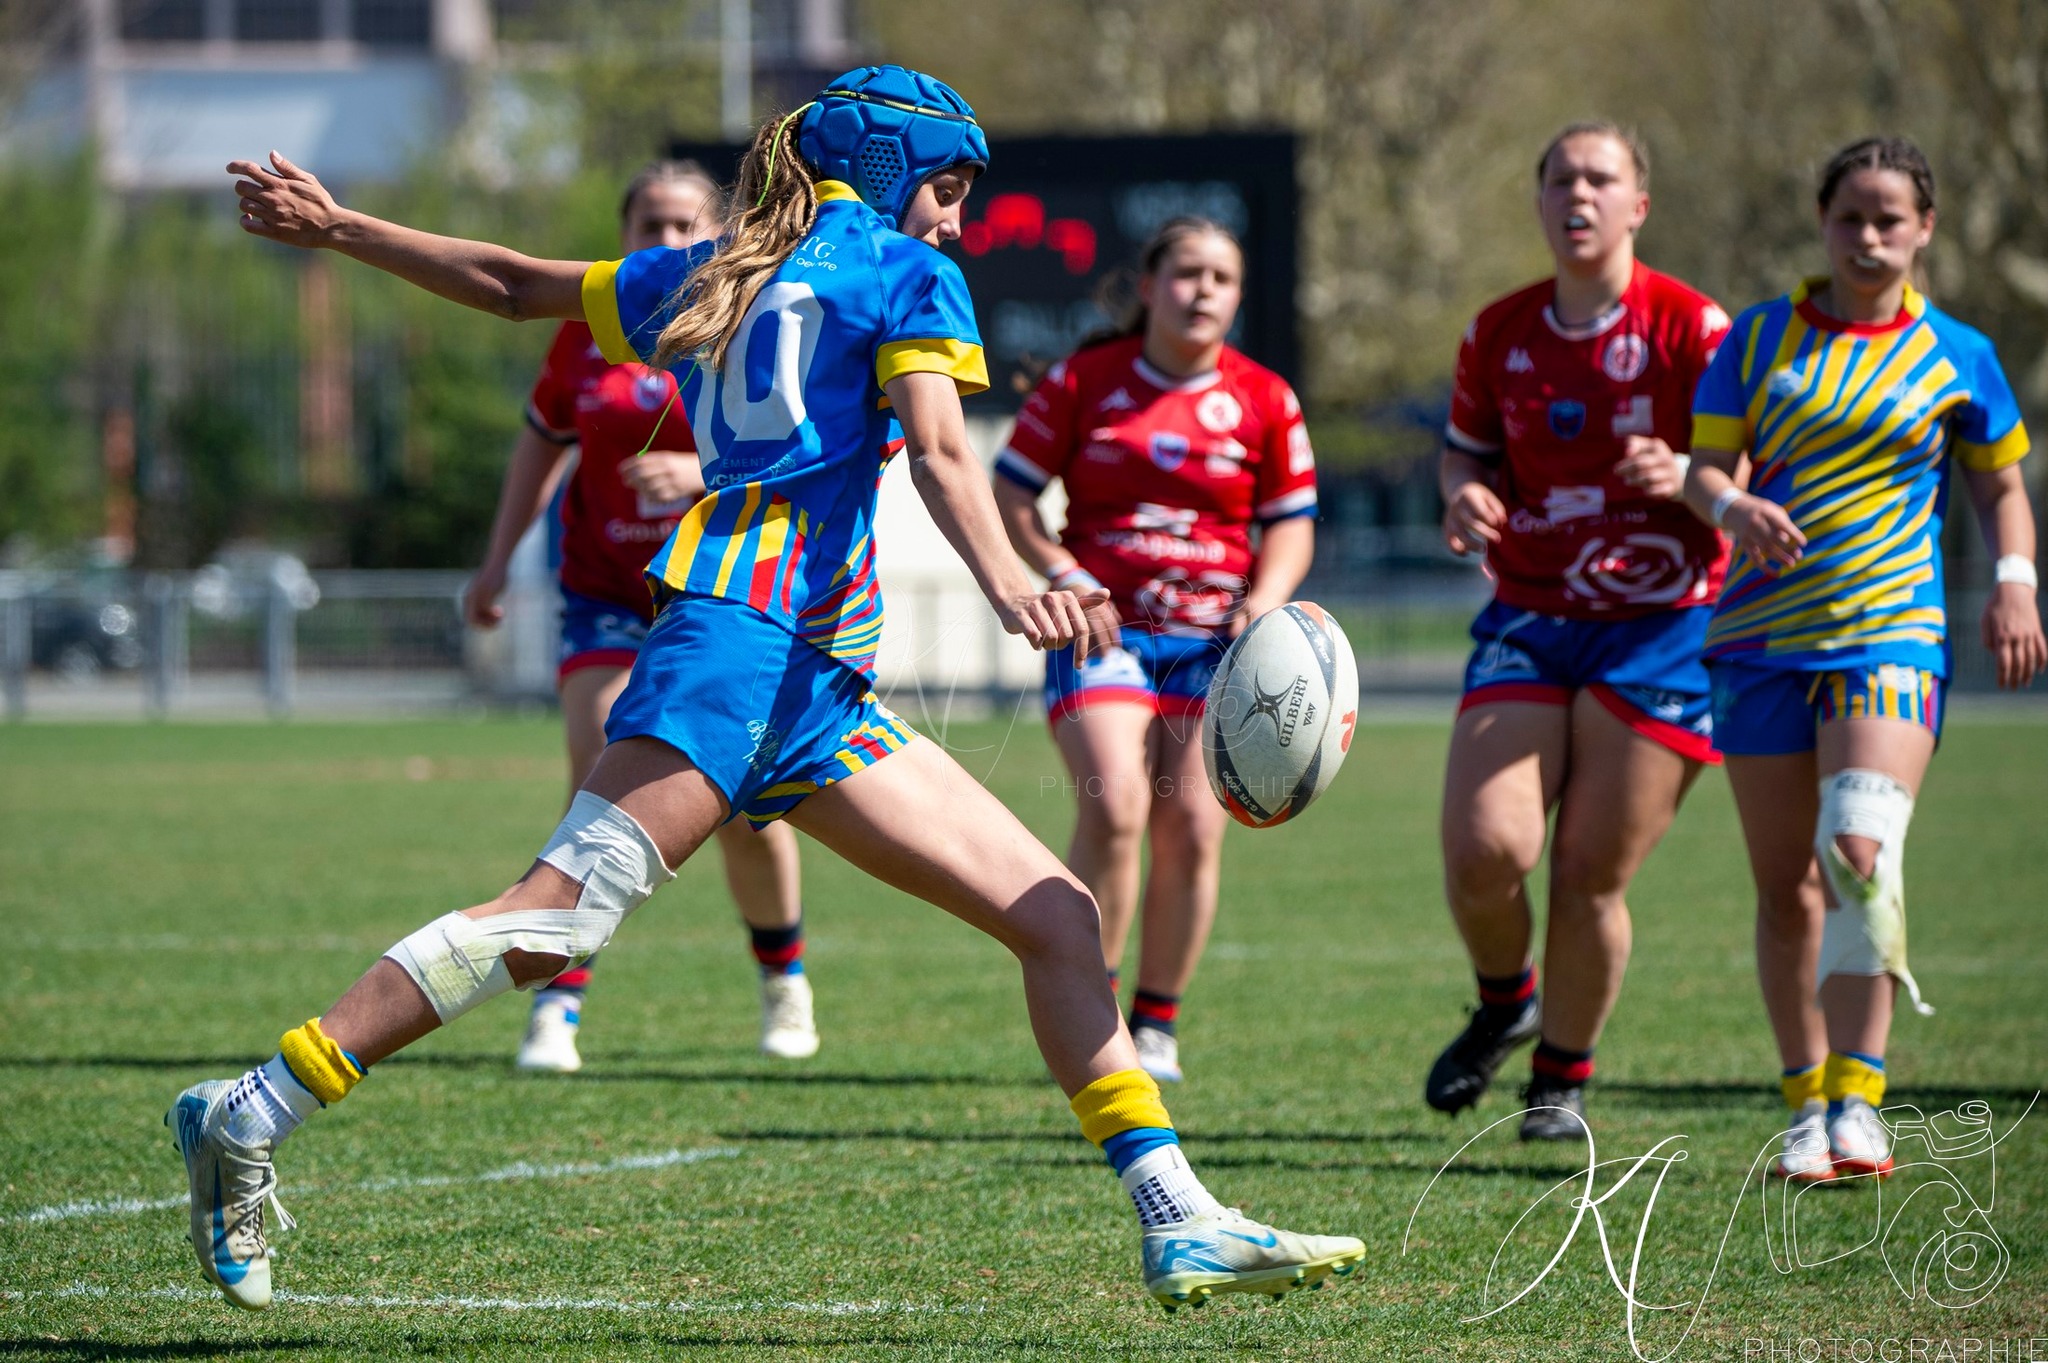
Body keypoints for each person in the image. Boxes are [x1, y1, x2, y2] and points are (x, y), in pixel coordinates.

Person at [179, 65, 1363, 1314]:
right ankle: (249, 1110)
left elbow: (512, 285)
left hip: (812, 679)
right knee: (551, 922)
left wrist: (343, 226)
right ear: (902, 173)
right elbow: (949, 455)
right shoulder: (903, 274)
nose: (958, 224)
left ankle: (1178, 1218)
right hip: (741, 648)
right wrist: (1017, 586)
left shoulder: (718, 269)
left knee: (1058, 915)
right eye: (950, 192)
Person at [1684, 135, 2044, 1182]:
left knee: (1856, 852)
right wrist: (1731, 502)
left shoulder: (1959, 353)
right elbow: (1703, 469)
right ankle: (1802, 1101)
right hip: (1754, 643)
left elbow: (1998, 485)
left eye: (1889, 218)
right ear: (1821, 223)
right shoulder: (1756, 341)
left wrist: (2014, 577)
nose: (1867, 236)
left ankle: (1860, 1092)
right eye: (1849, 216)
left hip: (1890, 631)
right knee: (1784, 887)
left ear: (1924, 228)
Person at [464, 160, 820, 1072]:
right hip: (605, 596)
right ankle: (561, 1006)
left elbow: (816, 454)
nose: (665, 244)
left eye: (682, 227)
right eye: (647, 226)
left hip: (725, 595)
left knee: (744, 812)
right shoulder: (588, 333)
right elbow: (539, 451)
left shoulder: (755, 320)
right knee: (598, 789)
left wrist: (703, 475)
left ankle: (783, 975)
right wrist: (498, 559)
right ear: (622, 236)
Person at [1429, 123, 1733, 1140]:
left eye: (1601, 178)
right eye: (1559, 176)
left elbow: (1757, 484)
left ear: (1636, 205)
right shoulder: (1499, 331)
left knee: (1586, 872)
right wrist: (1463, 499)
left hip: (1663, 628)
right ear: (1538, 198)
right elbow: (1461, 457)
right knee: (1483, 850)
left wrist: (1689, 481)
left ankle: (1558, 1078)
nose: (1578, 193)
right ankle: (1503, 998)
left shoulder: (1694, 328)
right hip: (1527, 615)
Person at [993, 217, 1316, 1084]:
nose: (1202, 290)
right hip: (1103, 627)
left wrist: (1266, 600)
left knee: (1195, 828)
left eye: (1221, 277)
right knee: (1118, 803)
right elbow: (1012, 490)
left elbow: (1290, 522)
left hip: (1215, 641)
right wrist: (1062, 570)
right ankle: (1088, 1004)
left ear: (1238, 296)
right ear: (1149, 285)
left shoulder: (1265, 397)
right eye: (1185, 273)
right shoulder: (1085, 379)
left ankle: (1158, 1022)